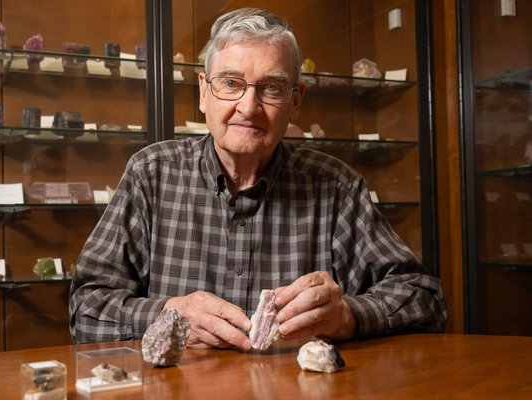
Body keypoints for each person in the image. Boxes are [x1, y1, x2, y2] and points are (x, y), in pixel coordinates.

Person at [69, 7, 446, 349]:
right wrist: (168, 314)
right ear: (203, 92)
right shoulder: (150, 175)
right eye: (231, 83)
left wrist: (347, 315)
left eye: (271, 88)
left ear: (296, 99)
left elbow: (424, 299)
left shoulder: (336, 188)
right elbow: (86, 307)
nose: (248, 108)